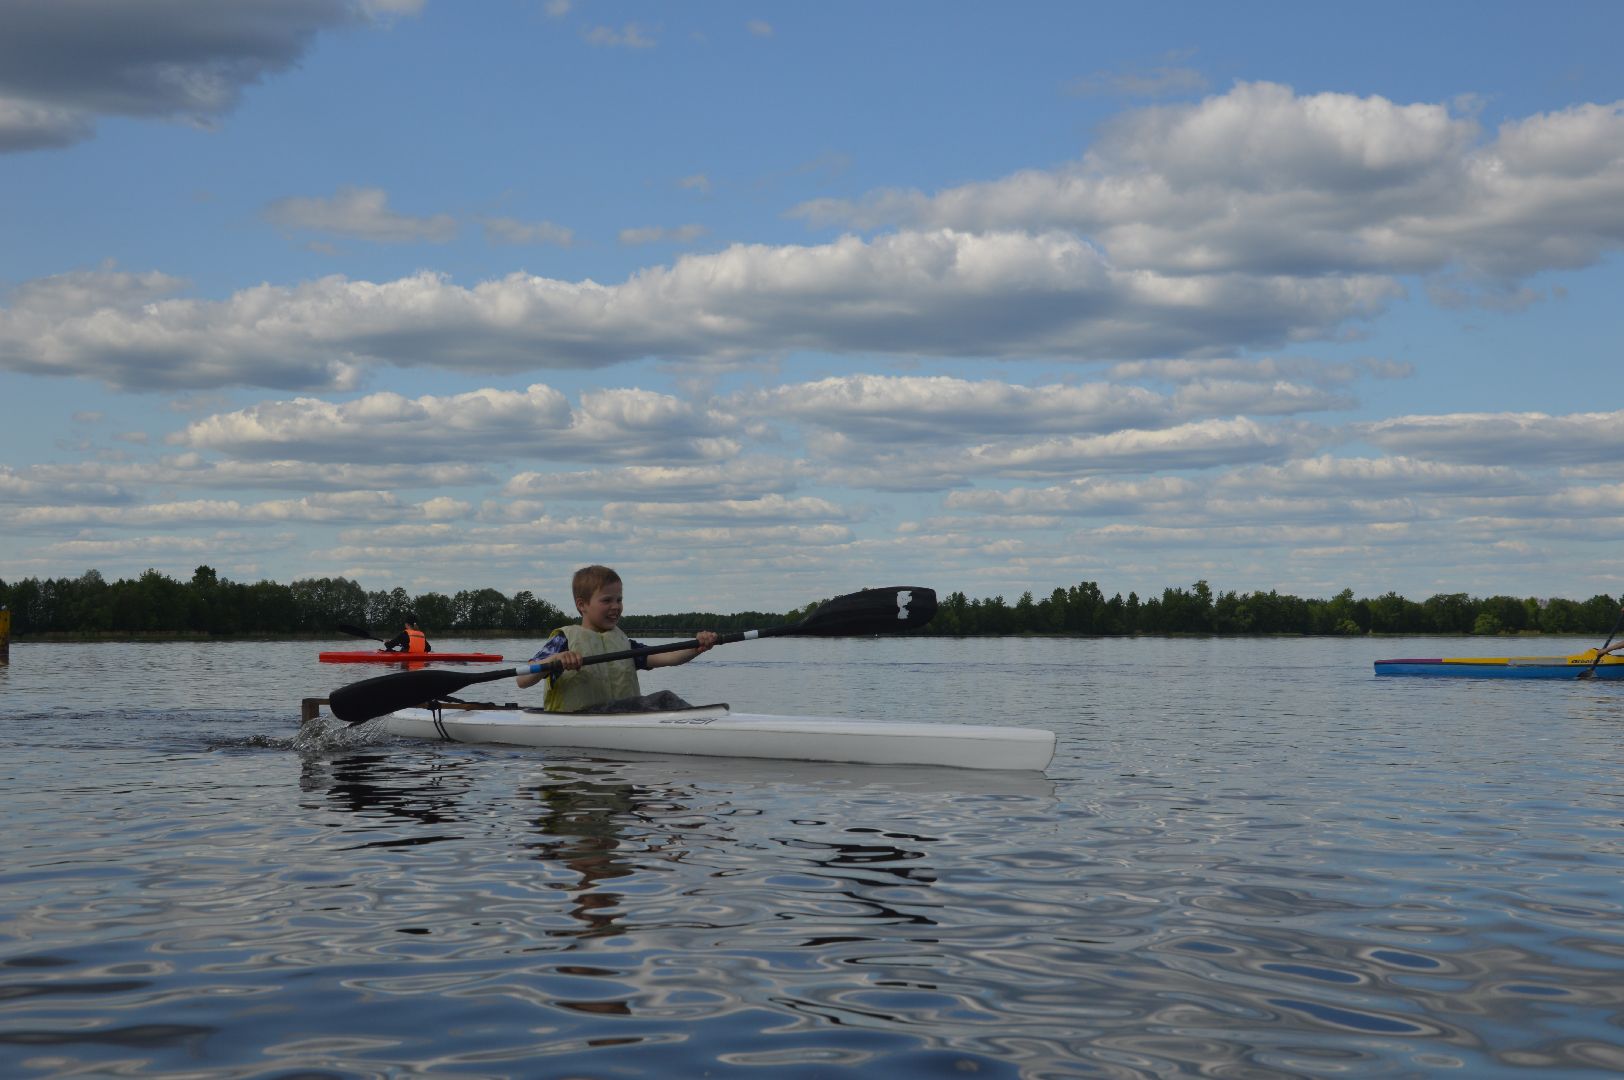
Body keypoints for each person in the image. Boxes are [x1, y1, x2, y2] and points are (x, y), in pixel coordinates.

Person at [517, 565, 716, 712]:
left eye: (619, 599)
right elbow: (522, 680)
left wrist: (697, 646)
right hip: (577, 721)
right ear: (582, 605)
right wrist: (555, 660)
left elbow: (669, 657)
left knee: (665, 698)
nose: (616, 606)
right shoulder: (563, 640)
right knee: (663, 698)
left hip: (620, 717)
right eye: (607, 600)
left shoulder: (624, 644)